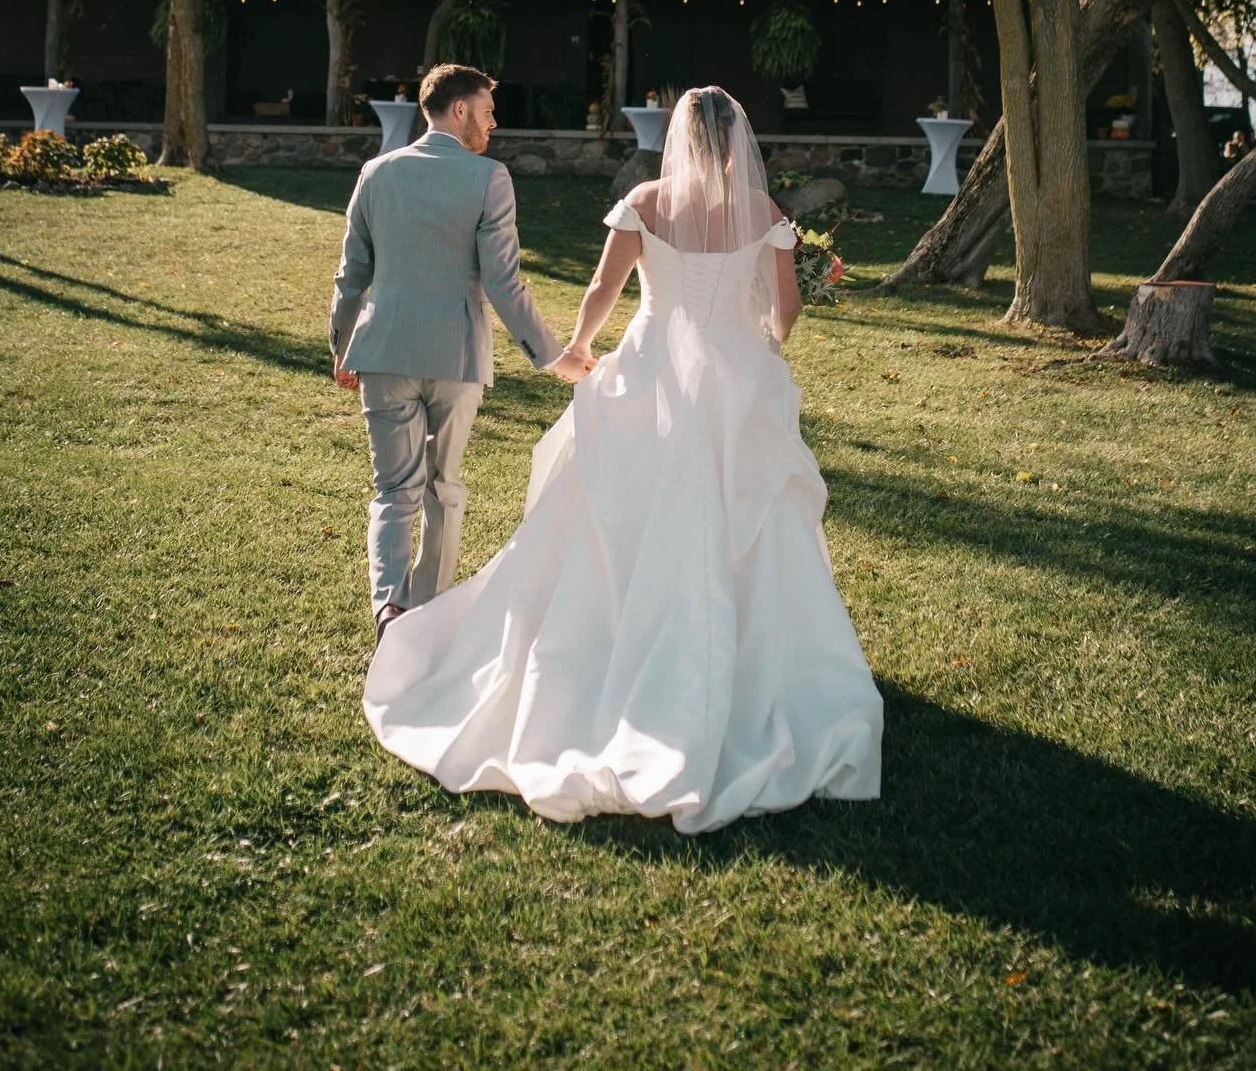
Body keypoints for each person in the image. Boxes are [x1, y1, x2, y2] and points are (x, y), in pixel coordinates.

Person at [363, 85, 883, 832]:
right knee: (749, 510)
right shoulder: (765, 216)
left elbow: (605, 289)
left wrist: (578, 348)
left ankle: (609, 647)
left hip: (650, 370)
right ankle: (748, 666)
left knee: (616, 509)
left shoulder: (645, 199)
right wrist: (760, 345)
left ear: (678, 136)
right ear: (734, 141)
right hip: (735, 375)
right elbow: (787, 309)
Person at [330, 63, 592, 646]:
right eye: (487, 111)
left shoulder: (376, 172)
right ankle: (429, 614)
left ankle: (389, 611)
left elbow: (352, 275)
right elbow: (503, 282)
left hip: (383, 353)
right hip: (455, 358)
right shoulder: (489, 178)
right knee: (443, 486)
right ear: (458, 111)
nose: (493, 124)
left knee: (394, 489)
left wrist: (342, 347)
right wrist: (551, 357)